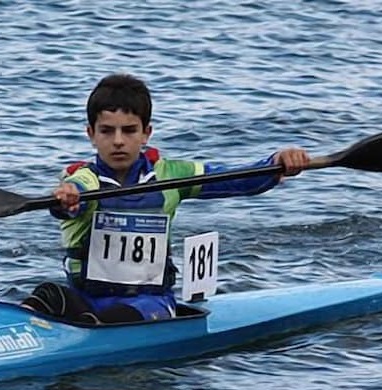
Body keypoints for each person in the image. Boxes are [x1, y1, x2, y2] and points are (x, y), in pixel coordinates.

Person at [21, 73, 309, 325]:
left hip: (149, 304)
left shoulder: (170, 176)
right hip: (86, 300)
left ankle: (89, 334)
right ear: (91, 135)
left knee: (116, 317)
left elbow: (233, 179)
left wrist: (276, 163)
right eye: (107, 131)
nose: (118, 141)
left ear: (146, 133)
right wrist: (67, 199)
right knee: (48, 293)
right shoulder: (82, 180)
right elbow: (73, 195)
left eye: (129, 130)